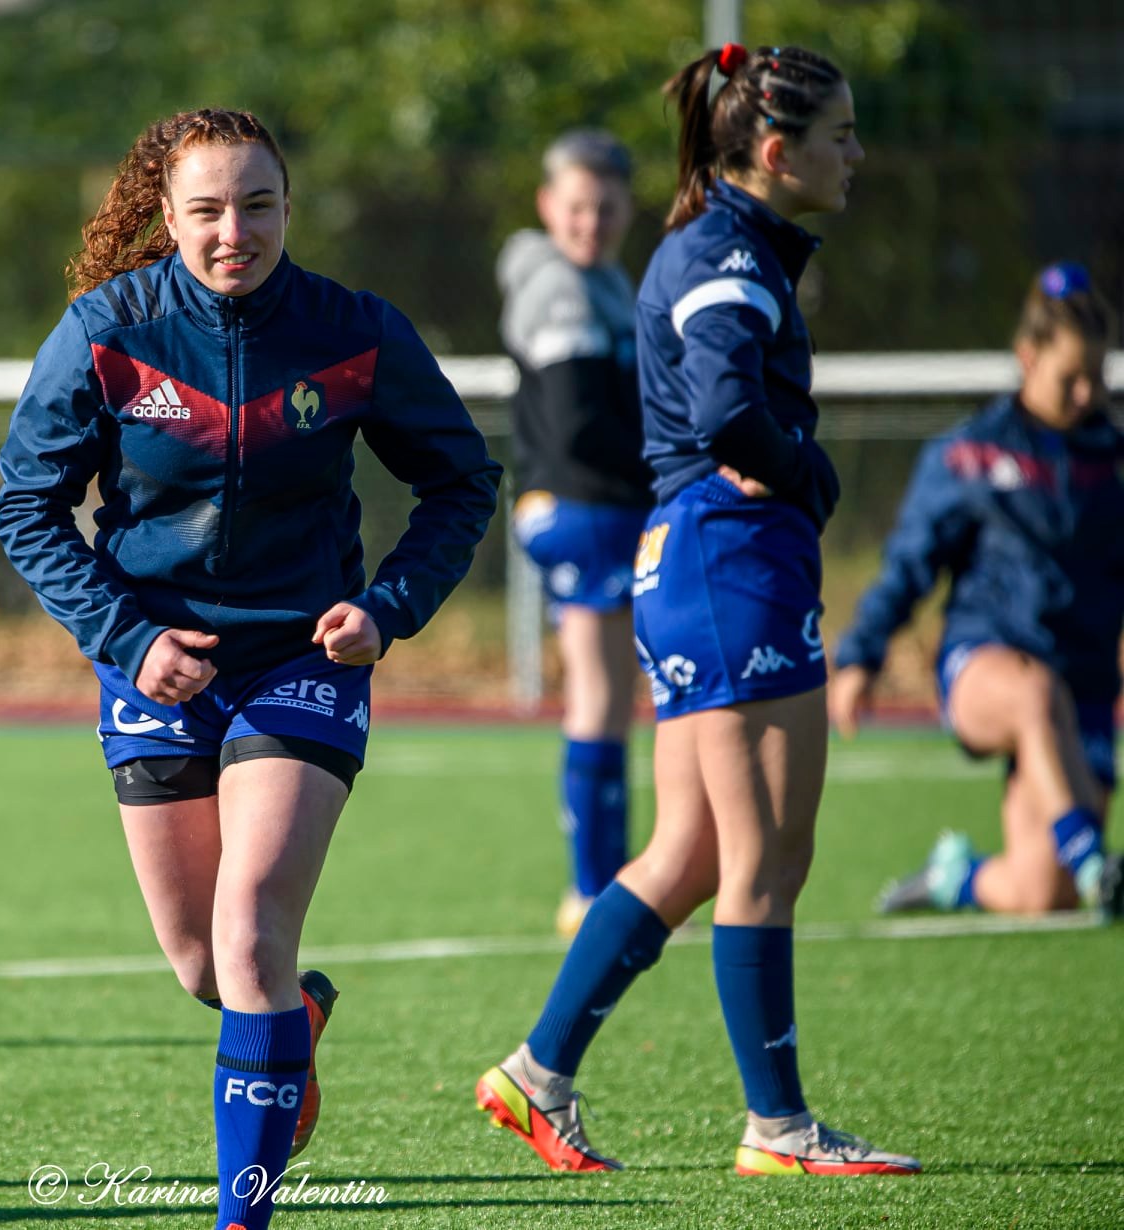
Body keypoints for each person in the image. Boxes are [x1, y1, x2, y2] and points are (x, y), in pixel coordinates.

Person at [0, 108, 501, 1230]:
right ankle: (291, 1028)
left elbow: (462, 483)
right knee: (203, 968)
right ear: (165, 215)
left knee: (254, 926)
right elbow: (27, 506)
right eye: (210, 210)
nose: (237, 231)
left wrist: (387, 607)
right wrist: (132, 642)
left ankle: (243, 1216)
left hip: (298, 662)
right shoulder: (106, 330)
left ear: (290, 208)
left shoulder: (354, 331)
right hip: (157, 663)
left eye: (259, 205)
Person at [474, 43, 920, 1176]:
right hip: (730, 567)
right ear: (776, 152)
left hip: (690, 566)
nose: (856, 154)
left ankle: (537, 1074)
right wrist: (807, 475)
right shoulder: (726, 252)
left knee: (689, 850)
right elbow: (726, 408)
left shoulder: (719, 242)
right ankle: (779, 1127)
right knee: (767, 856)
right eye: (840, 136)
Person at [831, 263, 1124, 920]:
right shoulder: (969, 455)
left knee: (1040, 893)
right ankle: (1089, 857)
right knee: (1032, 692)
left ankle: (955, 879)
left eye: (1096, 378)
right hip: (988, 665)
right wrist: (859, 656)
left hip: (1085, 687)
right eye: (1069, 378)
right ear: (1027, 357)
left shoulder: (1113, 462)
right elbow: (909, 563)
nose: (1085, 394)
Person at [498, 129, 652, 936]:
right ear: (548, 207)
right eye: (578, 207)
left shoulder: (607, 281)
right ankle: (595, 890)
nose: (591, 222)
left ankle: (610, 881)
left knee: (614, 698)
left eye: (607, 207)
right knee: (599, 697)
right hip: (586, 507)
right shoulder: (561, 288)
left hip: (596, 506)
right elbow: (577, 427)